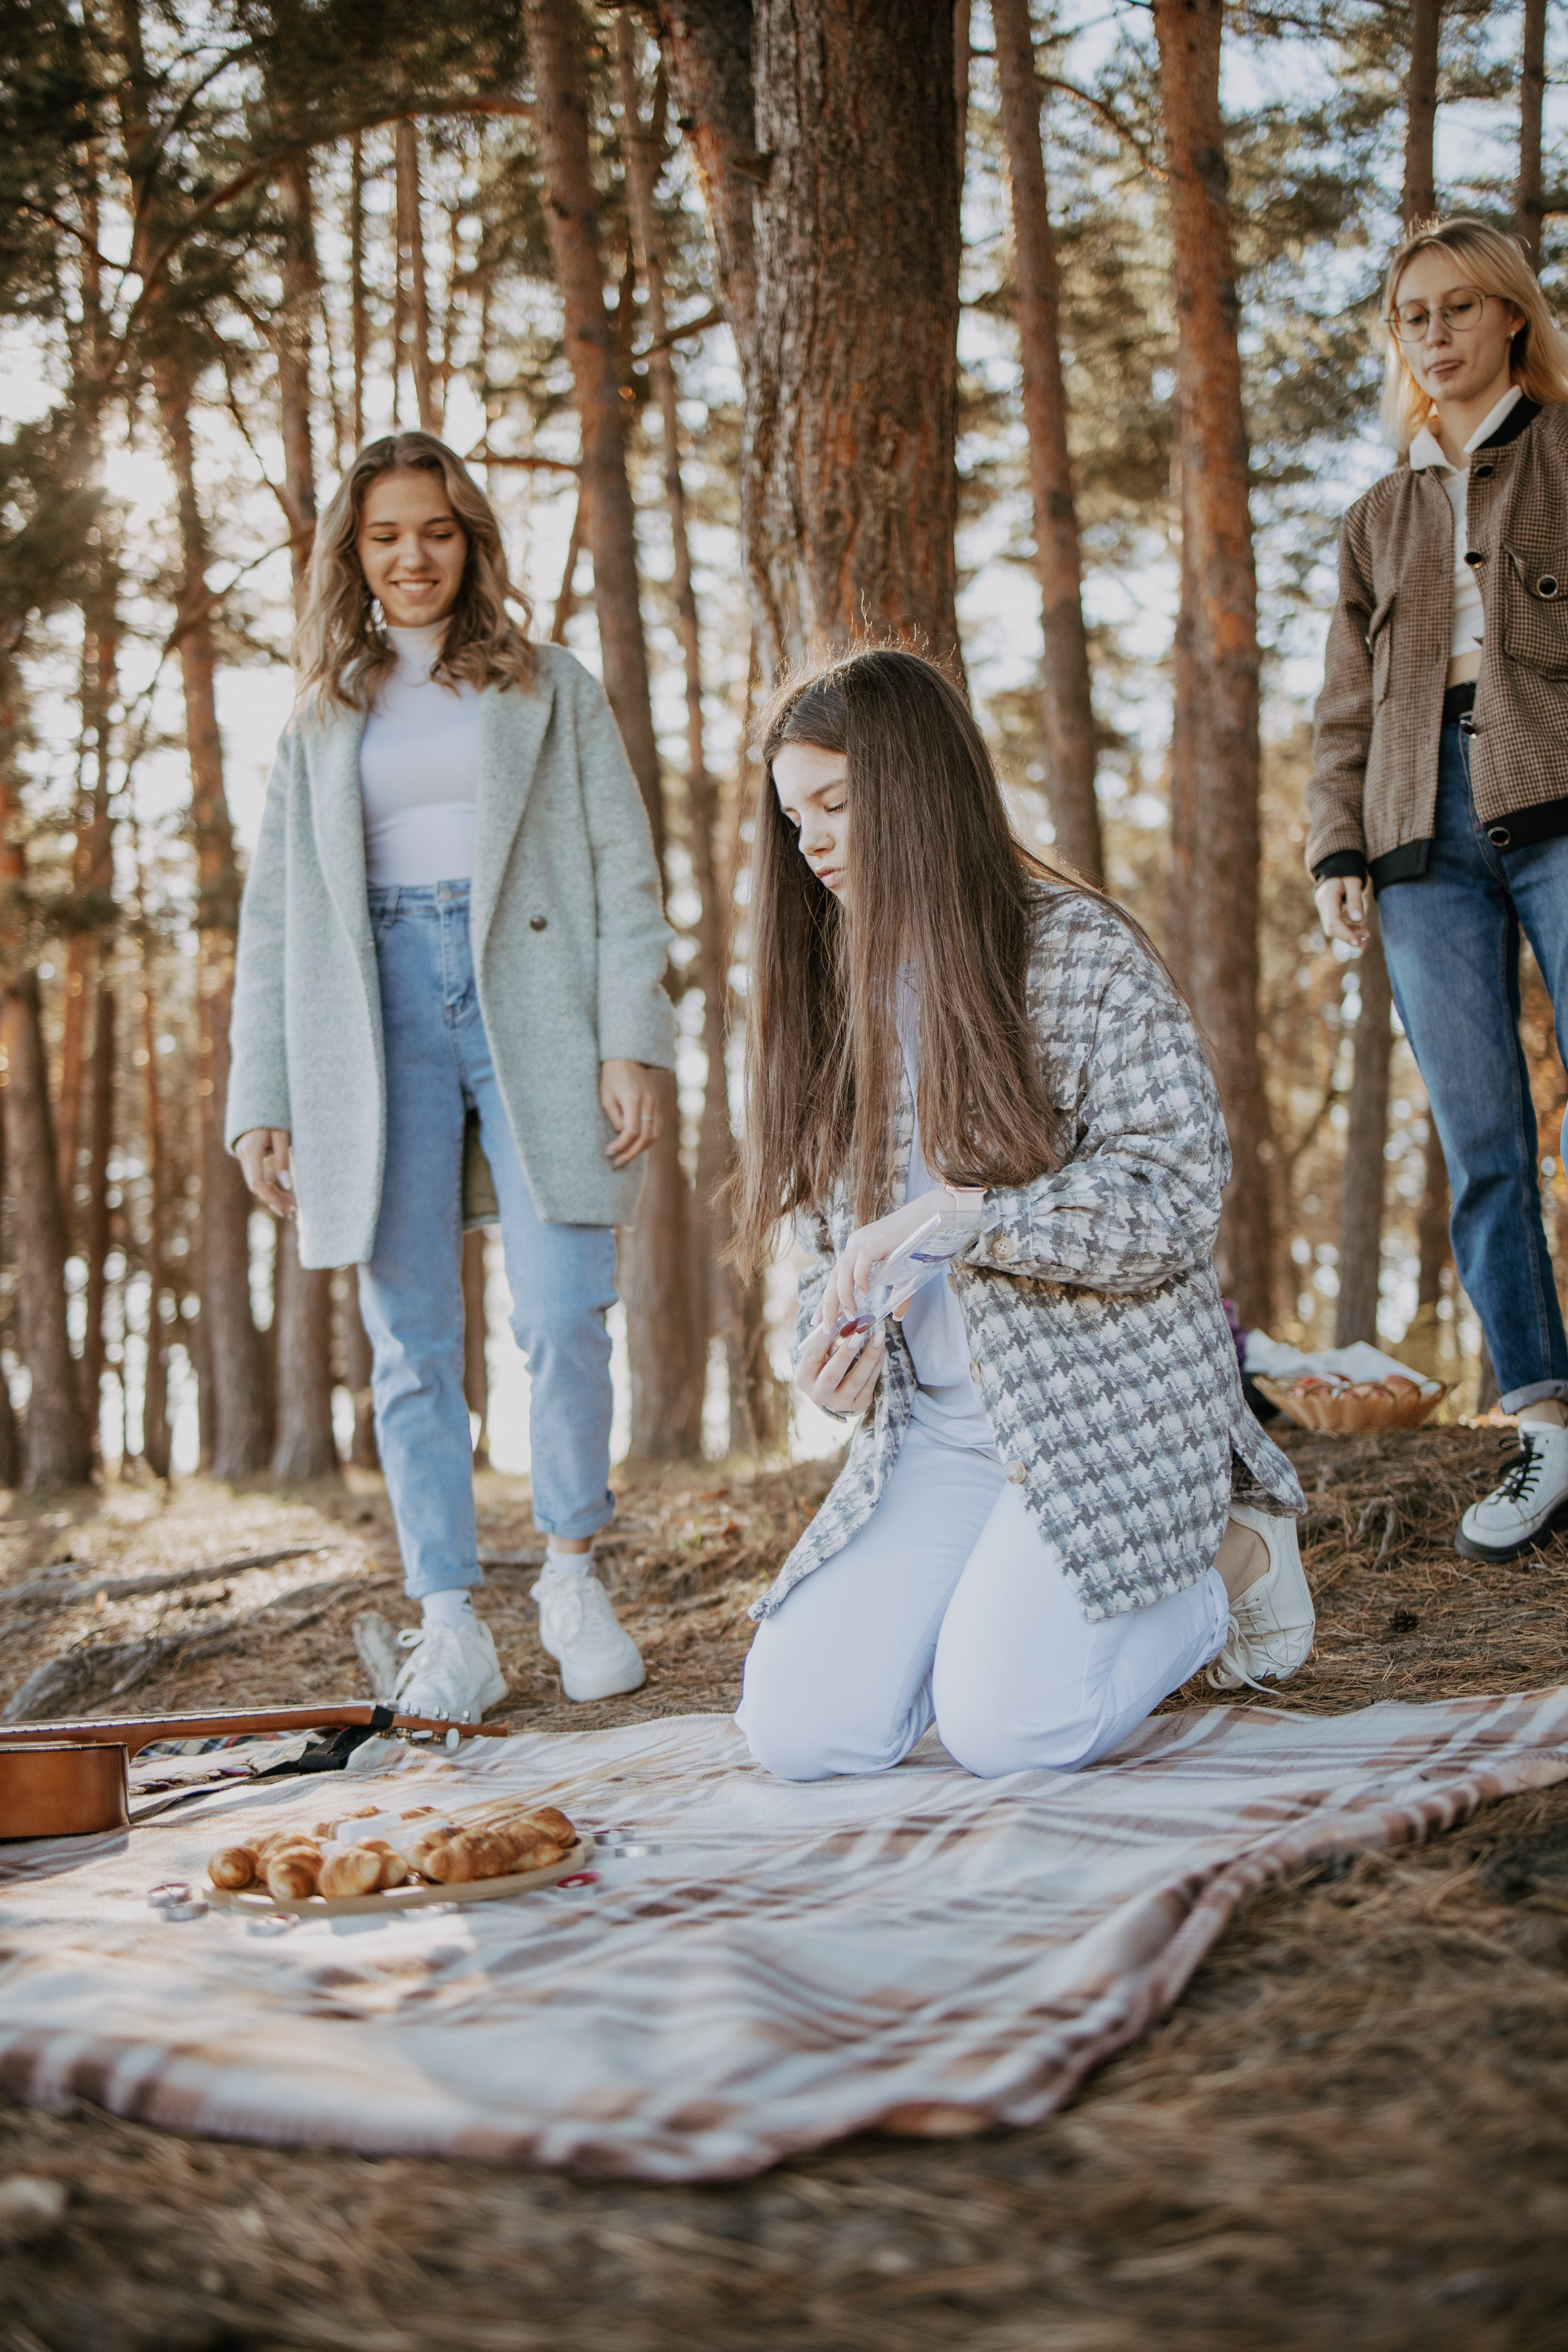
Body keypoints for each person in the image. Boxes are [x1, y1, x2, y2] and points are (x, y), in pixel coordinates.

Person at [730, 650, 1312, 1782]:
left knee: (1009, 1727)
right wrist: (826, 1344)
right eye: (796, 817)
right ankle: (993, 1612)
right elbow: (824, 1243)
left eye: (840, 805)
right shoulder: (830, 988)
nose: (815, 845)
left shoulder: (1077, 949)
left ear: (919, 787)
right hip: (936, 1435)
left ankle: (1236, 1554)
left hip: (1105, 1409)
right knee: (802, 1732)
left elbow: (1176, 1188)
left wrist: (962, 1220)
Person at [227, 431, 671, 1719]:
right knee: (410, 1340)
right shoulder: (320, 718)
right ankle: (449, 1622)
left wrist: (631, 1038)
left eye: (434, 531)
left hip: (529, 1002)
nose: (410, 557)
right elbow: (277, 919)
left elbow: (621, 868)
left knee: (562, 1309)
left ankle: (573, 1578)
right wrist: (262, 1099)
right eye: (383, 537)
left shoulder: (550, 688)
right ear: (352, 556)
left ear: (469, 542)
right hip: (371, 1026)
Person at [1310, 217, 1568, 1563]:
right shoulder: (1377, 514)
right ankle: (1542, 1424)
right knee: (1481, 1150)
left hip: (1560, 807)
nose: (1433, 333)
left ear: (1511, 317)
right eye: (1410, 314)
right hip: (1420, 847)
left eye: (1458, 307)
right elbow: (1339, 713)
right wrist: (1337, 854)